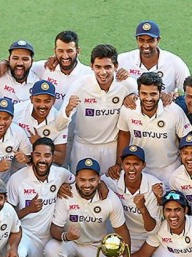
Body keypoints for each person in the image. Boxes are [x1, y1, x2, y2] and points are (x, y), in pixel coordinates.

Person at [44, 158, 131, 257]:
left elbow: (122, 230)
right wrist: (67, 236)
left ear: (99, 180)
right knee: (51, 249)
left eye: (92, 180)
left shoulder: (110, 199)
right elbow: (55, 229)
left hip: (95, 245)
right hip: (70, 241)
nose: (87, 184)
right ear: (75, 178)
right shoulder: (66, 193)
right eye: (82, 179)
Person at [6, 138, 75, 257]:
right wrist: (28, 210)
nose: (42, 160)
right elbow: (6, 217)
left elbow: (78, 182)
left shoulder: (61, 174)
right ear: (32, 156)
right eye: (37, 155)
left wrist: (100, 185)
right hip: (26, 234)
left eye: (47, 155)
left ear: (52, 157)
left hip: (49, 236)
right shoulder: (17, 179)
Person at [59, 44, 138, 172]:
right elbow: (59, 124)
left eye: (107, 67)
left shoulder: (127, 84)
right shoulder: (80, 85)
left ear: (116, 66)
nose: (103, 72)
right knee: (82, 188)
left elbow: (145, 97)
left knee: (111, 189)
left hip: (111, 148)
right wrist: (67, 110)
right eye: (98, 67)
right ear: (92, 66)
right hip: (83, 148)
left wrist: (134, 95)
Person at [101, 146, 173, 257]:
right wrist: (101, 185)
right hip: (126, 236)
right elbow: (95, 181)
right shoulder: (112, 179)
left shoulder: (154, 186)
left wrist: (142, 208)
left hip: (151, 237)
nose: (132, 168)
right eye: (127, 163)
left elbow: (152, 230)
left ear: (144, 165)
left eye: (136, 164)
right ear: (122, 164)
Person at [115, 72, 192, 182]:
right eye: (144, 93)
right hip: (140, 169)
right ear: (138, 92)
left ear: (160, 93)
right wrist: (119, 163)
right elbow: (124, 134)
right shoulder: (128, 109)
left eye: (153, 94)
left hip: (169, 169)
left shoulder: (175, 111)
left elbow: (185, 141)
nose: (148, 98)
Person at [117, 20, 191, 94]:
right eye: (141, 40)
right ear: (137, 40)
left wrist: (175, 97)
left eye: (150, 41)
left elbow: (191, 91)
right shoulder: (122, 60)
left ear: (158, 40)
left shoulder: (175, 63)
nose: (146, 45)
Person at [12, 80, 69, 165]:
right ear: (31, 99)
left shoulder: (60, 120)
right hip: (17, 168)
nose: (42, 106)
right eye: (38, 100)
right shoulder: (16, 111)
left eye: (47, 101)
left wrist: (39, 143)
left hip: (44, 170)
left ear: (54, 101)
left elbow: (60, 158)